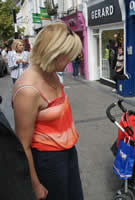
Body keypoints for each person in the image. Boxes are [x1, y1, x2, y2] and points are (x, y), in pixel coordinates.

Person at [11, 22, 83, 200]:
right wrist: (35, 184)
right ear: (53, 53)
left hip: (67, 151)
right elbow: (22, 145)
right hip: (48, 161)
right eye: (67, 56)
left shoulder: (52, 73)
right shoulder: (28, 90)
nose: (70, 61)